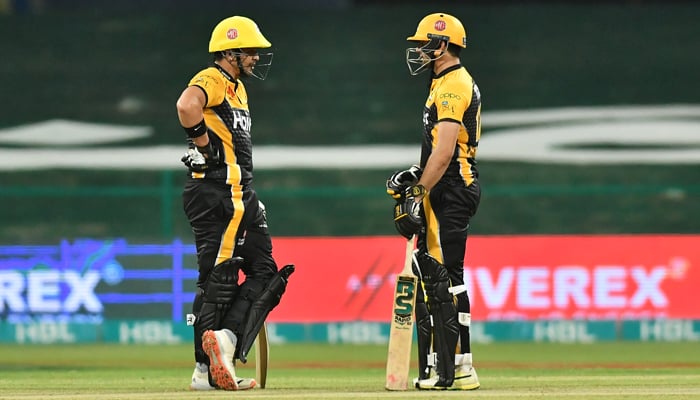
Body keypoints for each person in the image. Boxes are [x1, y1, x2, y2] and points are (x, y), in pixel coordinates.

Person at [176, 15, 294, 391]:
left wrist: (250, 196)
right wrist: (204, 147)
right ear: (230, 52)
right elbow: (186, 105)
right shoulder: (212, 78)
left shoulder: (237, 89)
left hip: (240, 194)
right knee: (218, 279)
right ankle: (204, 372)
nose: (256, 58)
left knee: (266, 273)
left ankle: (224, 341)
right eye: (250, 52)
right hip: (217, 194)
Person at [386, 12, 481, 391]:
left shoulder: (453, 85)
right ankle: (451, 365)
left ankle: (457, 367)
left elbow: (444, 154)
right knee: (438, 278)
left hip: (451, 189)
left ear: (442, 45)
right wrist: (415, 174)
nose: (419, 51)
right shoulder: (441, 81)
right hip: (446, 186)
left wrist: (419, 192)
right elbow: (438, 152)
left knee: (445, 279)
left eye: (424, 44)